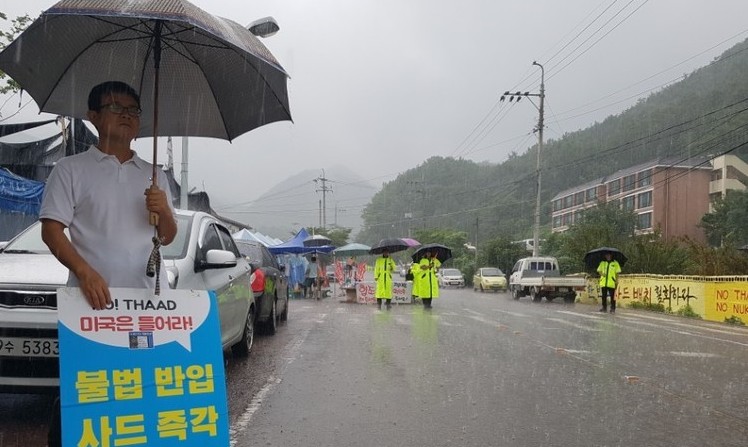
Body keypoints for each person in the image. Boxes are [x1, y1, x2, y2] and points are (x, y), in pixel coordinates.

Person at [39, 81, 177, 447]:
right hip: (91, 306)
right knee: (91, 393)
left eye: (134, 110)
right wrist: (85, 273)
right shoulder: (70, 170)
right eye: (117, 107)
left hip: (146, 305)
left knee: (141, 394)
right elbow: (52, 231)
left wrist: (163, 210)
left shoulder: (153, 174)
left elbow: (167, 237)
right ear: (94, 116)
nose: (128, 116)